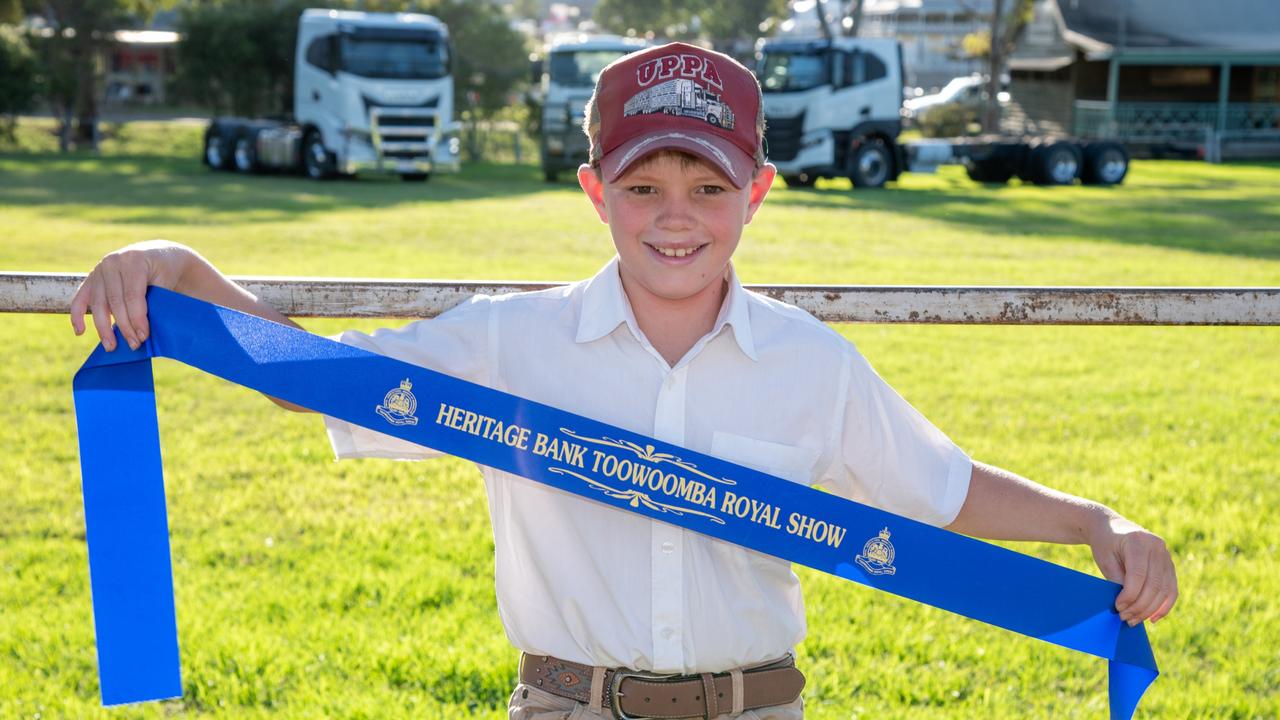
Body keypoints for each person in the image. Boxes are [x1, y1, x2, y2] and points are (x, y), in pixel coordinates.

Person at [69, 43, 1177, 720]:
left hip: (757, 708)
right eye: (644, 186)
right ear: (596, 195)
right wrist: (182, 272)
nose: (676, 214)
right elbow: (314, 384)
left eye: (707, 183)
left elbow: (938, 491)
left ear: (758, 195)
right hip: (563, 706)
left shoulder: (808, 362)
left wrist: (1095, 521)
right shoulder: (509, 342)